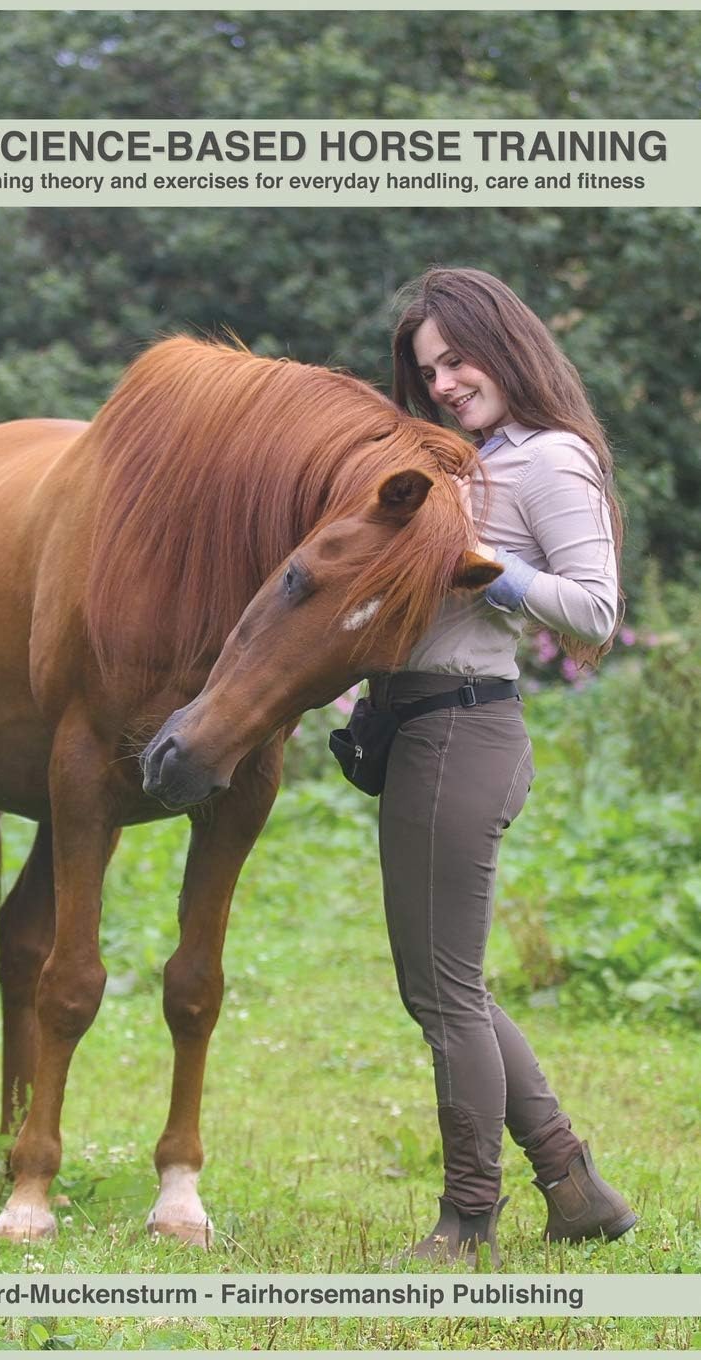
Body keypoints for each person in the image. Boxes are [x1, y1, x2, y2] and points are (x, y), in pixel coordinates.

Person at [377, 266, 636, 1265]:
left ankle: (467, 1219)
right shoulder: (466, 461)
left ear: (505, 341)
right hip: (422, 731)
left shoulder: (547, 460)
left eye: (455, 358)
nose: (441, 382)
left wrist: (489, 570)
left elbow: (594, 612)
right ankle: (573, 1185)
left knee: (442, 994)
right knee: (446, 987)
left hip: (463, 733)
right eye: (427, 370)